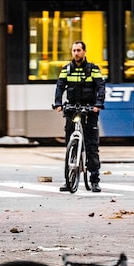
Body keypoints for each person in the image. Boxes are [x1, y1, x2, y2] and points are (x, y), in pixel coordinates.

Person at [53, 41, 106, 192]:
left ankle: (94, 180)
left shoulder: (93, 69)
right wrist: (58, 103)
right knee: (69, 143)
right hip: (72, 109)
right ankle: (69, 180)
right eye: (74, 50)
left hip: (89, 110)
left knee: (91, 146)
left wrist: (98, 104)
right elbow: (60, 86)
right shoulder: (66, 69)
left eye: (78, 50)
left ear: (84, 52)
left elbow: (101, 87)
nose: (76, 53)